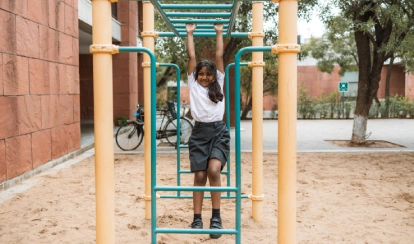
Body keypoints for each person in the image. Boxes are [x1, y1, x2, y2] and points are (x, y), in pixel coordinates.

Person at [186, 21, 230, 239]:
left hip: (218, 132)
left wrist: (219, 32)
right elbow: (191, 57)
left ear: (214, 76)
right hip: (199, 133)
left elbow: (220, 55)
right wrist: (189, 33)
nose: (204, 77)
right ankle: (196, 218)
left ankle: (216, 217)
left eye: (208, 74)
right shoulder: (193, 84)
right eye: (201, 74)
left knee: (213, 171)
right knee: (200, 175)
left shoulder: (219, 82)